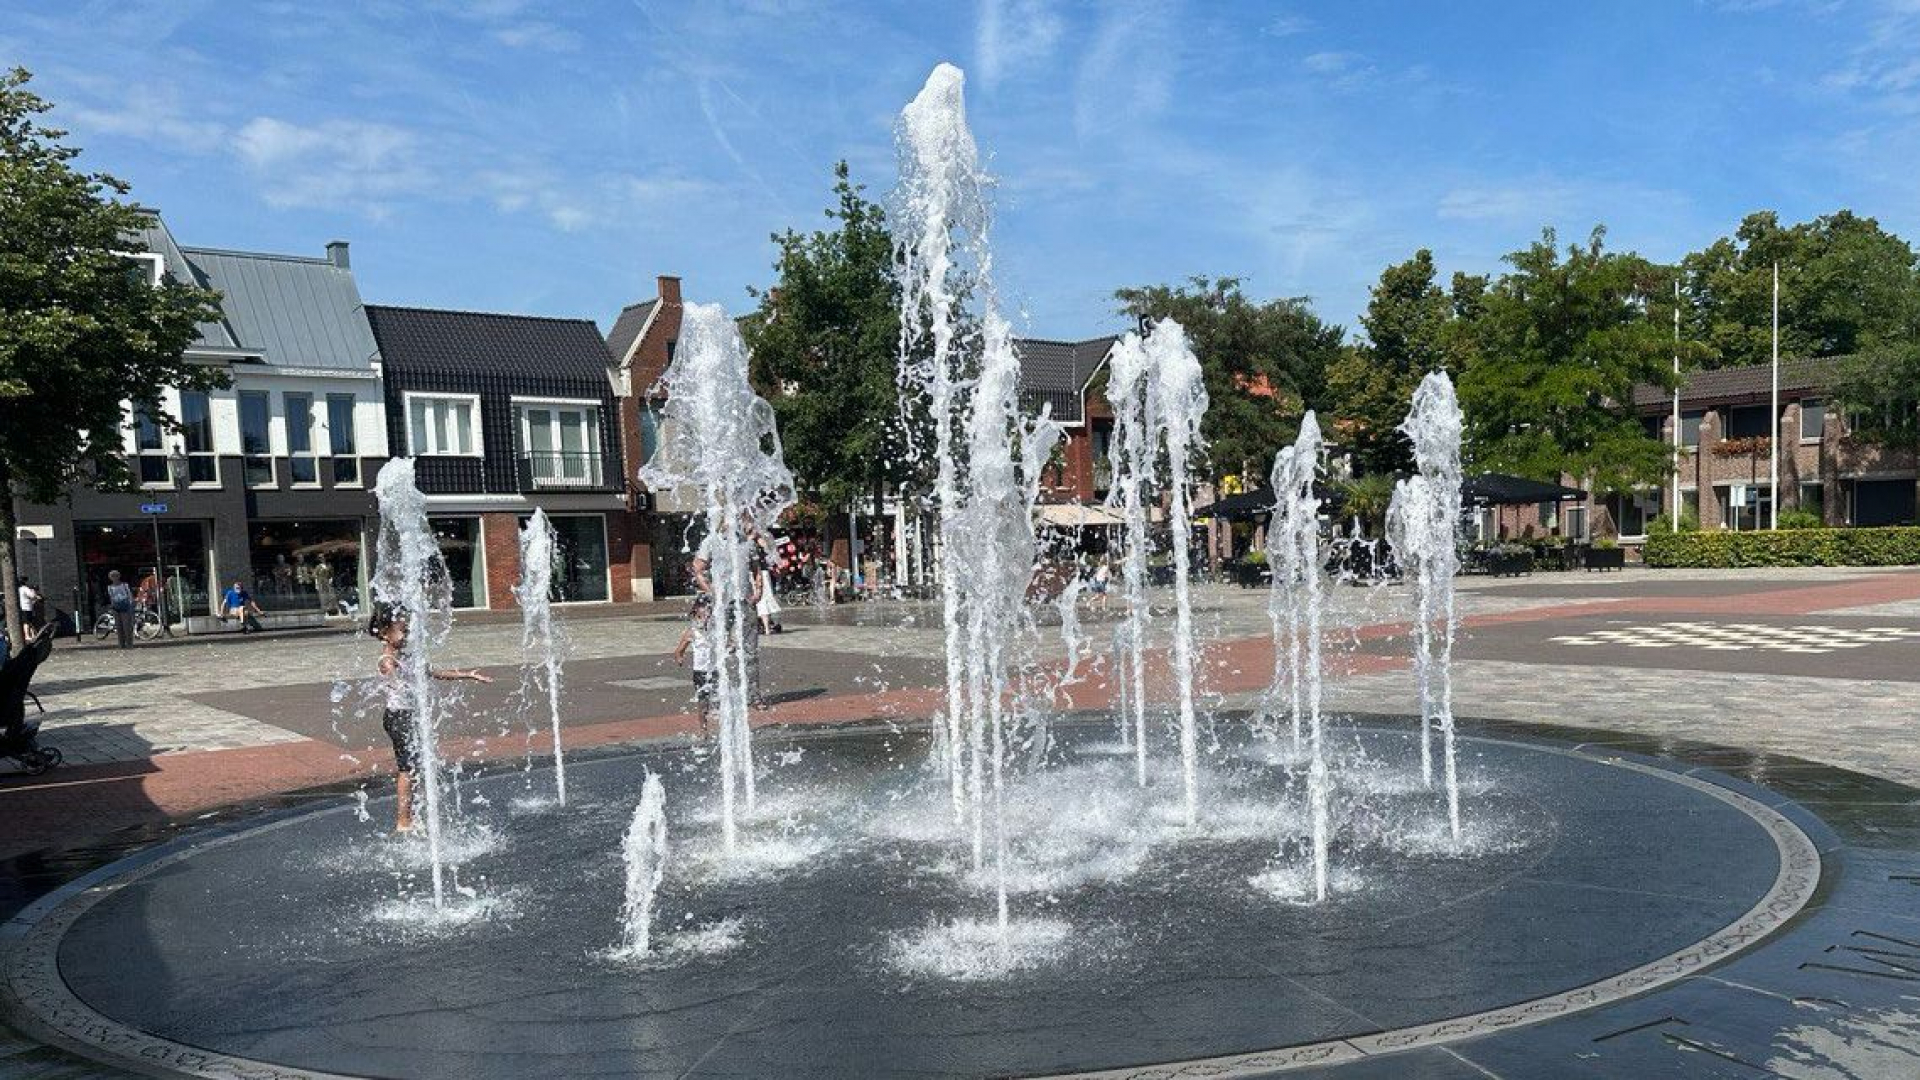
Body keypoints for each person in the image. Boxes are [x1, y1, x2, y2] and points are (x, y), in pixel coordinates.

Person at [368, 605, 491, 832]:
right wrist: (397, 680)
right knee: (406, 768)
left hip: (408, 716)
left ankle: (412, 815)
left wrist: (468, 675)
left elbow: (434, 673)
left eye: (407, 631)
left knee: (416, 766)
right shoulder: (387, 660)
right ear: (385, 633)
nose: (406, 636)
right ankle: (403, 821)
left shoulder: (406, 657)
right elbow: (392, 677)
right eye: (402, 631)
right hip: (398, 717)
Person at [671, 594, 717, 736]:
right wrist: (679, 658)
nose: (707, 611)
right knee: (703, 702)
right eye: (704, 608)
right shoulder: (692, 631)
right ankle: (703, 730)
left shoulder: (716, 628)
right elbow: (679, 650)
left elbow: (728, 643)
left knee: (720, 698)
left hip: (715, 670)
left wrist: (731, 646)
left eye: (709, 608)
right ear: (697, 609)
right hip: (700, 671)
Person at [105, 570, 134, 649]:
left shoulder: (125, 585)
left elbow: (130, 595)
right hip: (116, 607)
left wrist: (130, 605)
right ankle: (121, 644)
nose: (114, 578)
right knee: (119, 627)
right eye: (112, 576)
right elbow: (111, 597)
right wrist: (112, 607)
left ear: (119, 576)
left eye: (115, 576)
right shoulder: (110, 587)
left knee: (126, 626)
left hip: (125, 607)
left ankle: (129, 644)